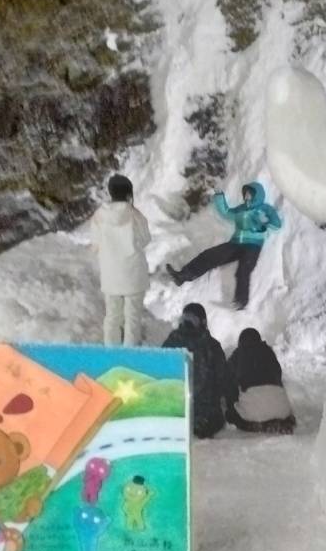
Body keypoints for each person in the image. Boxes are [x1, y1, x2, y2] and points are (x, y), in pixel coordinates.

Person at [167, 182, 281, 309]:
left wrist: (266, 221)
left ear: (257, 195)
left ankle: (241, 301)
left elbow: (277, 225)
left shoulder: (265, 209)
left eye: (250, 193)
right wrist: (219, 195)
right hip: (236, 243)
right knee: (209, 255)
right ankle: (182, 276)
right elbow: (226, 212)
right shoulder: (241, 209)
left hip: (253, 245)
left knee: (243, 269)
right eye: (246, 193)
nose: (247, 196)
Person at [89, 173, 150, 346]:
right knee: (132, 318)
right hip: (133, 273)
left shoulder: (99, 216)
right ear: (129, 192)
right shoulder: (135, 215)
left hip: (111, 274)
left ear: (110, 192)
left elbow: (95, 244)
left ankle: (111, 352)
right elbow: (145, 239)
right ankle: (130, 355)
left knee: (112, 317)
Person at [161, 302, 229, 438]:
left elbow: (160, 373)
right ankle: (200, 423)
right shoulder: (211, 346)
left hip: (175, 407)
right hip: (205, 411)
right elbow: (223, 379)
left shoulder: (171, 342)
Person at [226, 327, 296, 435]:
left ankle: (257, 424)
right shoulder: (268, 351)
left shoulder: (238, 353)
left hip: (252, 414)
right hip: (282, 411)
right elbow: (278, 374)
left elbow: (227, 378)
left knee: (231, 414)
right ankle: (281, 420)